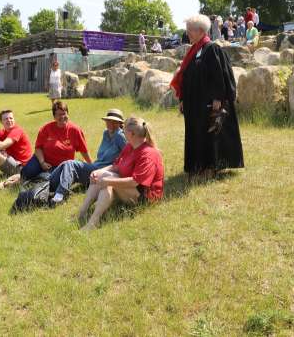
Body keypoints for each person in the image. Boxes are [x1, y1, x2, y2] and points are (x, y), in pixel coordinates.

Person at [170, 14, 244, 182]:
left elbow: (220, 75)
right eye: (187, 30)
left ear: (201, 31)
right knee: (194, 133)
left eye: (190, 30)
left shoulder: (212, 49)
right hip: (192, 102)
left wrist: (218, 98)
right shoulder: (193, 51)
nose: (187, 33)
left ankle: (211, 167)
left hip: (208, 102)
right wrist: (182, 99)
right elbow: (186, 77)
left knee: (209, 134)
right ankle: (197, 166)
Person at [77, 116, 164, 231]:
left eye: (124, 129)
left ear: (132, 134)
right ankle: (81, 213)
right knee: (101, 176)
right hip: (129, 188)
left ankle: (93, 222)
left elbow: (134, 182)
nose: (122, 131)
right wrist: (99, 171)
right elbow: (116, 166)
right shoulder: (130, 146)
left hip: (145, 196)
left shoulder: (148, 154)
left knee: (107, 180)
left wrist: (108, 180)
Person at [49, 109, 127, 203]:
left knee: (70, 164)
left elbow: (128, 155)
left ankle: (59, 196)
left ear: (119, 123)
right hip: (96, 167)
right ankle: (47, 187)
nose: (111, 123)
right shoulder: (106, 133)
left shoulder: (120, 136)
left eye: (114, 122)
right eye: (109, 121)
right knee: (65, 164)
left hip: (103, 172)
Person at [20, 101, 92, 181]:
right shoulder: (46, 129)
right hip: (41, 160)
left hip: (60, 166)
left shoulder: (75, 130)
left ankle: (38, 178)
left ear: (68, 114)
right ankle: (17, 178)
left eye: (64, 113)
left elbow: (84, 150)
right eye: (59, 114)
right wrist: (42, 162)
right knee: (26, 173)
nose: (62, 117)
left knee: (47, 180)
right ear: (54, 116)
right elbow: (38, 148)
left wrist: (92, 167)